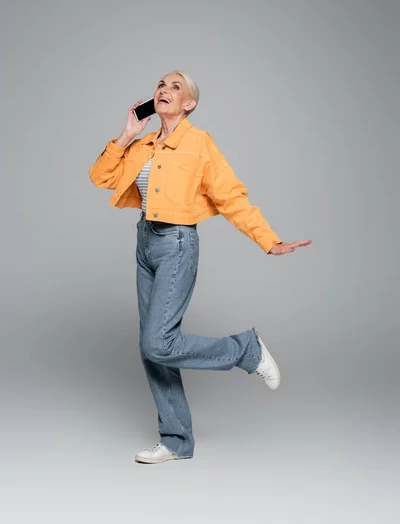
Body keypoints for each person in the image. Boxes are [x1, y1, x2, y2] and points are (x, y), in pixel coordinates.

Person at [88, 70, 312, 464]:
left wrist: (268, 240)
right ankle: (176, 440)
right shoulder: (142, 146)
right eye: (161, 84)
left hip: (177, 244)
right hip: (145, 243)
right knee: (152, 349)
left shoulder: (199, 144)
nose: (164, 90)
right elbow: (100, 176)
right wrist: (126, 134)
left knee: (157, 342)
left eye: (176, 87)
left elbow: (231, 197)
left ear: (189, 103)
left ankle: (246, 350)